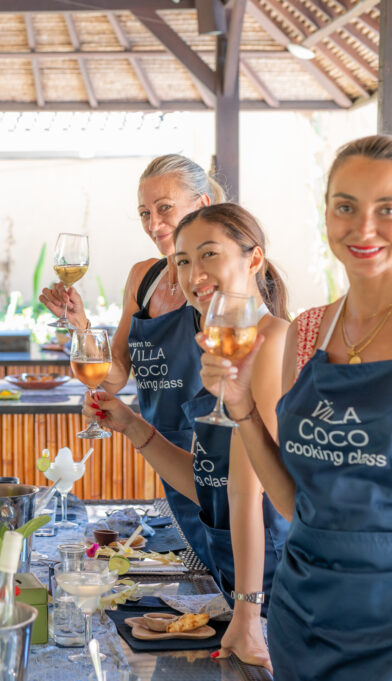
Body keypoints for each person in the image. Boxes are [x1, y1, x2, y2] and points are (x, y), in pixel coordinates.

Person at [200, 135, 392, 678]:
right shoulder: (308, 331)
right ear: (328, 215)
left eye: (387, 209)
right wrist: (241, 408)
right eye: (346, 207)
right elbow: (294, 502)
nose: (363, 229)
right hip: (308, 615)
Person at [86, 204, 290, 669]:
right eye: (181, 261)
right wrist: (135, 427)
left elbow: (246, 494)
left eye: (209, 254)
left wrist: (247, 612)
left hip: (276, 591)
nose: (192, 273)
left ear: (253, 259)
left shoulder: (271, 341)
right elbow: (209, 483)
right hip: (236, 579)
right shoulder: (217, 347)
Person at [39, 154, 226, 573]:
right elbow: (118, 373)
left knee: (225, 571)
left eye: (165, 208)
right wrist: (80, 325)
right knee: (198, 578)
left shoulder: (218, 284)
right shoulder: (144, 278)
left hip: (215, 460)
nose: (153, 222)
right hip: (160, 451)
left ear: (201, 203)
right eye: (145, 212)